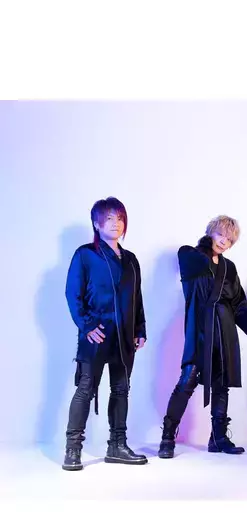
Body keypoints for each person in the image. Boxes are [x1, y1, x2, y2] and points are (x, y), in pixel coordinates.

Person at [158, 216, 247, 458]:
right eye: (220, 235)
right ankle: (167, 437)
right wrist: (206, 247)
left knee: (221, 385)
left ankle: (218, 438)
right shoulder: (190, 256)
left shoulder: (229, 268)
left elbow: (238, 301)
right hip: (200, 329)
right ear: (210, 233)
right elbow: (194, 263)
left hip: (225, 331)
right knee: (187, 381)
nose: (224, 241)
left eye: (229, 239)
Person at [63, 197, 148, 471]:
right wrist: (87, 326)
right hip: (96, 334)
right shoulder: (85, 254)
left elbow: (137, 298)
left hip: (124, 336)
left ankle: (117, 446)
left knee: (121, 389)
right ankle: (73, 448)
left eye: (120, 218)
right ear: (97, 223)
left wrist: (140, 329)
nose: (116, 223)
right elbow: (73, 294)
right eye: (109, 218)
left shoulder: (131, 259)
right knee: (86, 388)